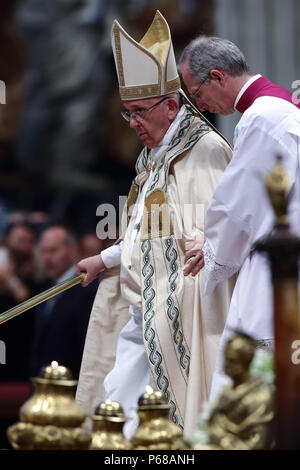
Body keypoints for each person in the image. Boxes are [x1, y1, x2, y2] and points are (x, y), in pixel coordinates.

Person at [76, 12, 234, 437]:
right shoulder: (152, 157)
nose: (134, 125)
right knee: (118, 416)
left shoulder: (204, 151)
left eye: (140, 112)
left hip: (181, 313)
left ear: (171, 105)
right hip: (144, 307)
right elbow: (146, 231)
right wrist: (105, 257)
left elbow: (213, 238)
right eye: (127, 114)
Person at [179, 36, 300, 399]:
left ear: (217, 77)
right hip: (286, 254)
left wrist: (211, 244)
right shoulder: (281, 107)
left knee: (254, 388)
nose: (200, 104)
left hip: (276, 263)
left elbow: (241, 206)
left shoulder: (262, 118)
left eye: (197, 92)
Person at [29, 226, 99, 379]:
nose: (47, 257)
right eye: (43, 251)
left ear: (73, 250)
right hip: (45, 387)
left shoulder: (87, 289)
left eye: (53, 250)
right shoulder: (45, 290)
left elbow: (89, 347)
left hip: (72, 388)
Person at [198, 332, 274, 450]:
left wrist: (226, 443)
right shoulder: (227, 393)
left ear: (245, 362)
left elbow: (258, 442)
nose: (225, 366)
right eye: (226, 360)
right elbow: (212, 424)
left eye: (231, 361)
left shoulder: (260, 398)